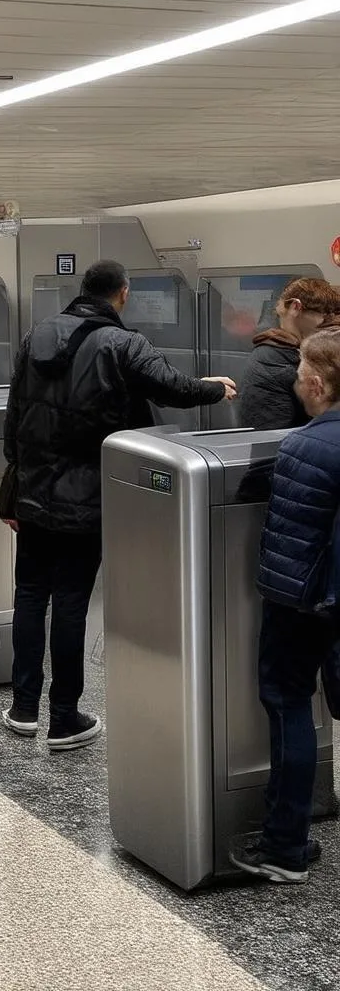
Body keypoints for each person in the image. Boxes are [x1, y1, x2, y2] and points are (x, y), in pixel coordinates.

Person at [2, 260, 236, 751]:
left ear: (82, 290)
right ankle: (64, 718)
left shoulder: (37, 334)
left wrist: (15, 479)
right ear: (122, 294)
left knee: (29, 595)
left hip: (33, 490)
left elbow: (15, 411)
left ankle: (23, 708)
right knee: (69, 603)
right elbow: (173, 389)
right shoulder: (121, 343)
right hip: (86, 497)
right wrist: (215, 386)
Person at [230, 327, 340, 884]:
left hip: (304, 602)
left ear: (316, 384)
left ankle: (283, 846)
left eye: (299, 369)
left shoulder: (302, 444)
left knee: (287, 701)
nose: (295, 377)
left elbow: (286, 527)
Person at [239, 278, 340, 431]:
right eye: (324, 314)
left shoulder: (283, 347)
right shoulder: (276, 359)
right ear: (296, 307)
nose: (327, 321)